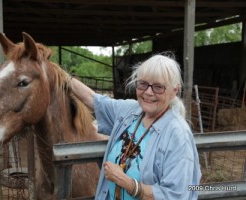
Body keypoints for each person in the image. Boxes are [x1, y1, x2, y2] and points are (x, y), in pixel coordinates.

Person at [67, 53, 201, 200]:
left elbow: (176, 195)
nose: (148, 92)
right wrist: (62, 76)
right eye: (143, 84)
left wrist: (127, 183)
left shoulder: (178, 135)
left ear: (174, 91)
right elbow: (93, 99)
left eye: (158, 87)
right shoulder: (131, 111)